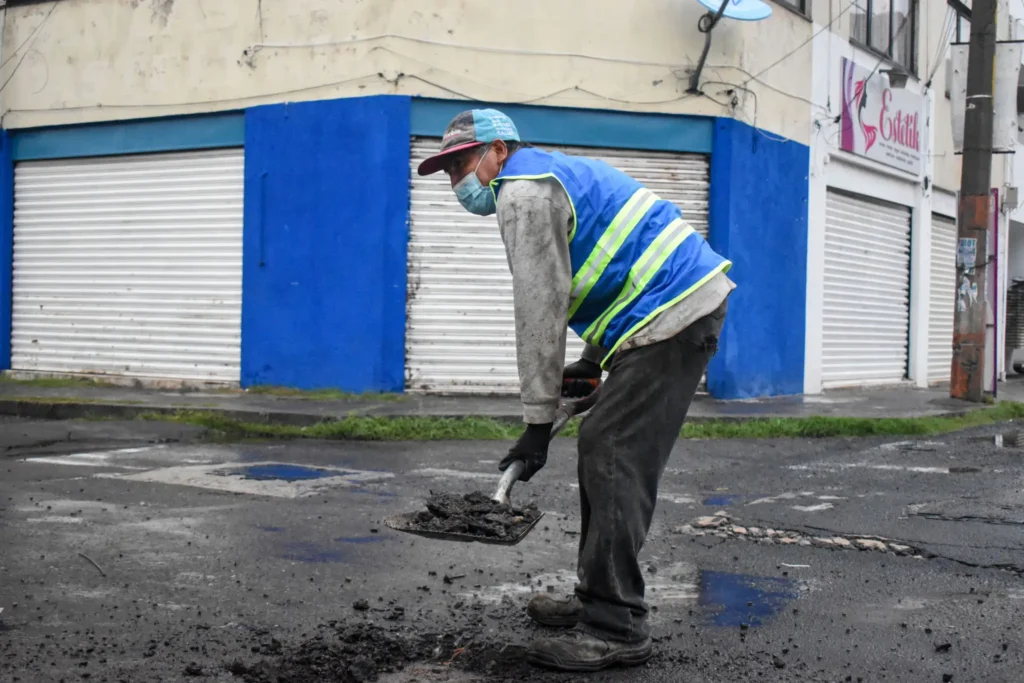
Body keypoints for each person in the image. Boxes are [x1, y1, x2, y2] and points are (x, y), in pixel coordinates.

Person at [417, 109, 735, 672]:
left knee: (610, 449)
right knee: (605, 445)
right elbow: (607, 271)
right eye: (447, 171)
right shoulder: (544, 175)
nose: (457, 180)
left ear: (499, 150)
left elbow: (540, 308)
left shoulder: (525, 194)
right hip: (668, 310)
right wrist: (590, 362)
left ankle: (616, 626)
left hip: (675, 313)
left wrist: (537, 424)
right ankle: (597, 597)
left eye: (463, 163)